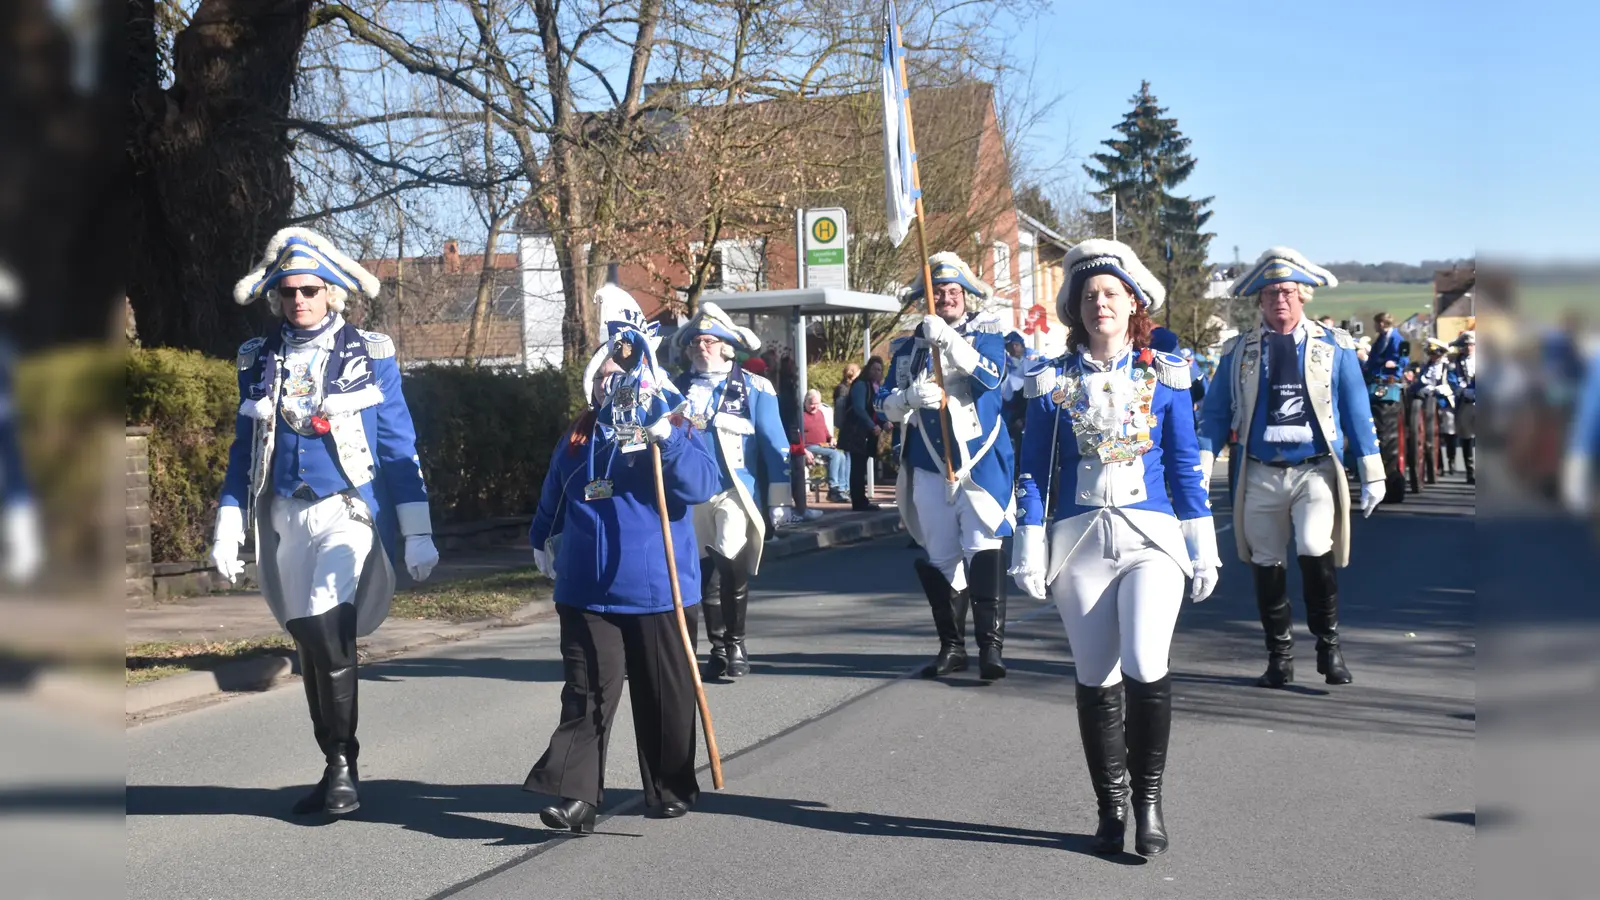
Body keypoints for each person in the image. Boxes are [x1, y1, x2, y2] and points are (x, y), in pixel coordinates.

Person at [212, 228, 440, 816]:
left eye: (310, 290)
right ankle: (335, 760)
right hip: (283, 513)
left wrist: (417, 528)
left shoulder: (372, 354)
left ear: (333, 293)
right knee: (309, 635)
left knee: (324, 614)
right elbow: (245, 447)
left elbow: (397, 446)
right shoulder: (256, 359)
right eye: (287, 292)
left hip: (349, 510)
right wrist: (229, 521)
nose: (299, 301)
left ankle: (343, 766)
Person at [1009, 239, 1220, 858]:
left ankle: (1149, 803)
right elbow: (1032, 471)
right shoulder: (1051, 381)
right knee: (1095, 676)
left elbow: (1185, 467)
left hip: (1152, 539)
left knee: (1144, 662)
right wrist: (1029, 542)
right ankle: (1111, 806)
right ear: (1075, 308)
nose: (1100, 303)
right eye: (1089, 295)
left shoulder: (1166, 376)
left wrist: (1202, 544)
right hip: (1078, 544)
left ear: (1133, 303)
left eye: (1111, 293)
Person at [524, 287, 720, 830]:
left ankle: (670, 785)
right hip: (587, 591)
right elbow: (554, 494)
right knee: (587, 696)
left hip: (660, 590)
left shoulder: (676, 422)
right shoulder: (579, 434)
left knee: (665, 698)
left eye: (624, 375)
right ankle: (576, 795)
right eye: (607, 375)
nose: (616, 383)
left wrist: (667, 437)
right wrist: (542, 538)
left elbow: (702, 483)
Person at [1198, 247, 1384, 689]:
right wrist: (1201, 468)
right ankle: (1278, 654)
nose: (1278, 300)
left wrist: (1373, 470)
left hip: (1314, 468)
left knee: (1315, 547)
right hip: (1260, 471)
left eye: (1285, 291)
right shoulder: (1238, 351)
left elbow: (1358, 411)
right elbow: (1216, 416)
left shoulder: (1333, 347)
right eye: (1269, 293)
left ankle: (1328, 646)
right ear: (1258, 301)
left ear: (1302, 295)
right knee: (1266, 561)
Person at [879, 252, 1016, 680]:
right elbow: (884, 405)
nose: (947, 298)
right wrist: (905, 401)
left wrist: (949, 342)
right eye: (938, 293)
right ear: (927, 300)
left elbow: (991, 379)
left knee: (983, 551)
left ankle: (990, 648)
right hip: (927, 465)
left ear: (966, 297)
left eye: (954, 292)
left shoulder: (988, 336)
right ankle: (951, 647)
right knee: (941, 557)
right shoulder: (906, 348)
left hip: (978, 466)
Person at [671, 302, 792, 678]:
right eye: (694, 342)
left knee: (728, 558)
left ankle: (736, 644)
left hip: (734, 492)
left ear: (726, 346)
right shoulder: (675, 389)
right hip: (690, 495)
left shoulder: (756, 387)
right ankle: (718, 647)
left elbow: (776, 445)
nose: (699, 348)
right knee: (703, 569)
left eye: (707, 341)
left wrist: (778, 499)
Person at [839, 356, 886, 511]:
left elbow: (876, 410)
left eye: (879, 370)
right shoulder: (861, 385)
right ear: (868, 369)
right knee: (857, 468)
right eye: (874, 369)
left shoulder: (875, 387)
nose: (877, 372)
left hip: (866, 433)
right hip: (856, 432)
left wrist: (884, 423)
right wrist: (872, 426)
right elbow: (859, 408)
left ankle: (861, 499)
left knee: (861, 467)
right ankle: (858, 502)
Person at [1413, 339, 1456, 480]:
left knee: (1448, 432)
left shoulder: (1448, 367)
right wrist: (1423, 388)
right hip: (1428, 402)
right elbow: (1420, 382)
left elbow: (1453, 383)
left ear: (1441, 354)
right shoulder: (1426, 367)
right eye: (1431, 354)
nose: (1433, 357)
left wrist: (1442, 389)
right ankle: (1439, 465)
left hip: (1444, 402)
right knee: (1431, 435)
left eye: (1435, 354)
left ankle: (1451, 459)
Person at [801, 389, 849, 502]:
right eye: (811, 404)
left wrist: (831, 438)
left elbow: (825, 432)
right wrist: (803, 450)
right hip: (809, 446)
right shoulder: (801, 416)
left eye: (817, 404)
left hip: (823, 445)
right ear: (805, 402)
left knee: (841, 455)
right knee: (835, 454)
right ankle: (833, 488)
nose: (814, 407)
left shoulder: (820, 413)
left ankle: (841, 489)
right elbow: (796, 436)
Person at [1451, 330, 1477, 484]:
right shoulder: (1455, 362)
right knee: (1466, 437)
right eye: (1465, 345)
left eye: (1471, 344)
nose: (1468, 348)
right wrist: (1461, 391)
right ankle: (1470, 471)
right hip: (1465, 402)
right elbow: (1451, 379)